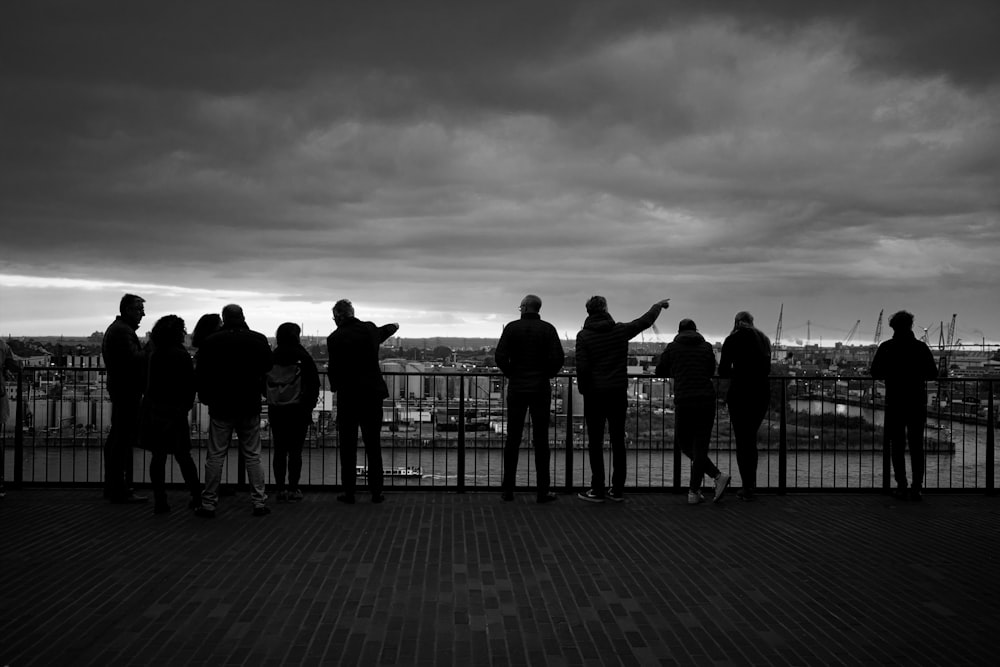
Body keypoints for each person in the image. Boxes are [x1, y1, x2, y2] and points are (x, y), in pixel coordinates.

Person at [575, 296, 671, 503]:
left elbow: (582, 368)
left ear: (588, 312)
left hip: (594, 395)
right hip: (617, 393)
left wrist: (584, 390)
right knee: (618, 440)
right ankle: (617, 489)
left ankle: (597, 488)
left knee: (595, 442)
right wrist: (657, 306)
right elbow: (644, 321)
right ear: (606, 309)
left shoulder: (583, 336)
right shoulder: (619, 331)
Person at [194, 304, 273, 517]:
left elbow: (201, 373)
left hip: (221, 404)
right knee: (253, 455)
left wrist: (207, 396)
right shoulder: (257, 339)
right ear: (243, 317)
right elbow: (267, 366)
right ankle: (259, 501)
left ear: (224, 318)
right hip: (248, 403)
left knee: (216, 455)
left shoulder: (211, 342)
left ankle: (209, 502)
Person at [326, 299, 399, 504]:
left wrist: (334, 386)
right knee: (373, 445)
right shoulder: (368, 329)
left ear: (337, 317)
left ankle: (349, 492)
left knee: (347, 447)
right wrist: (395, 326)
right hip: (371, 394)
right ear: (352, 312)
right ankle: (376, 491)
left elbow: (334, 368)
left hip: (348, 396)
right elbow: (385, 331)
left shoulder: (334, 338)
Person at [495, 294, 565, 503]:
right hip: (540, 389)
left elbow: (500, 356)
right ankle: (542, 491)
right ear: (537, 308)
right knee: (541, 441)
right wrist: (546, 374)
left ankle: (508, 490)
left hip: (517, 388)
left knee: (513, 439)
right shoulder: (548, 329)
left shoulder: (511, 328)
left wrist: (512, 373)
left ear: (525, 307)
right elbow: (559, 358)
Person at [656, 319, 731, 504]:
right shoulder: (706, 347)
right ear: (696, 330)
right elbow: (710, 369)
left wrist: (677, 370)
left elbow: (659, 371)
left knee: (684, 442)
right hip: (706, 399)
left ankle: (712, 479)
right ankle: (695, 491)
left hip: (685, 399)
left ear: (679, 331)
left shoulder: (672, 347)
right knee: (700, 445)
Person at [869, 310, 939, 501]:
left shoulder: (886, 347)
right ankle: (917, 487)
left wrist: (892, 374)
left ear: (893, 328)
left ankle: (901, 485)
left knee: (897, 446)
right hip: (916, 401)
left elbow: (875, 372)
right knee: (916, 446)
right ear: (910, 326)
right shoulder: (921, 348)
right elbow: (933, 373)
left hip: (895, 401)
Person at [141, 315, 202, 514]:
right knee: (184, 456)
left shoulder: (155, 354)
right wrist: (184, 407)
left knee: (157, 458)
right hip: (176, 412)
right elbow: (189, 385)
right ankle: (196, 495)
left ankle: (160, 499)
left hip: (157, 411)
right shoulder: (181, 355)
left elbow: (149, 387)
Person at [718, 311, 771, 501]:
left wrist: (737, 370)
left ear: (737, 322)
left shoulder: (732, 339)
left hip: (740, 393)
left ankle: (747, 486)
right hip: (761, 393)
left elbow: (723, 370)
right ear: (751, 322)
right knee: (751, 438)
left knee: (743, 440)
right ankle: (751, 486)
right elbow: (767, 369)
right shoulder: (764, 339)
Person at [101, 293, 148, 504]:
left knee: (118, 438)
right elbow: (134, 362)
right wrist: (150, 348)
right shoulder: (123, 332)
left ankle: (114, 486)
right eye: (139, 309)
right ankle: (119, 488)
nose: (143, 314)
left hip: (121, 389)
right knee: (122, 439)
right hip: (126, 390)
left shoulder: (119, 330)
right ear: (127, 310)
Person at [268, 322, 320, 503]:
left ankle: (280, 488)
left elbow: (263, 383)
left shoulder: (272, 357)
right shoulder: (303, 357)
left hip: (277, 409)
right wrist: (308, 406)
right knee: (296, 452)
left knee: (279, 450)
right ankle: (293, 488)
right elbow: (314, 385)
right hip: (298, 410)